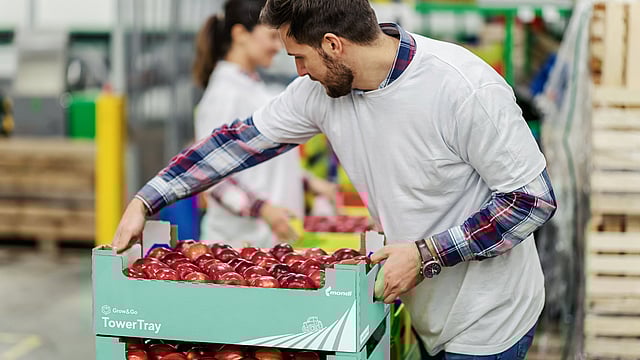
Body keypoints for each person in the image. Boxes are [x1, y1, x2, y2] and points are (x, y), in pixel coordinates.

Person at [112, 0, 557, 358]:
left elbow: (531, 199)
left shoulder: (460, 87)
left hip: (490, 318)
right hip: (426, 309)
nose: (298, 71)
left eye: (300, 58)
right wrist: (148, 199)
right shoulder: (319, 93)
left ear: (332, 44)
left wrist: (425, 255)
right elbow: (238, 142)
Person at [191, 0, 336, 247]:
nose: (277, 47)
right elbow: (210, 175)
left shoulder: (250, 86)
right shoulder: (224, 94)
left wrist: (307, 182)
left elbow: (258, 163)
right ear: (240, 35)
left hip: (264, 244)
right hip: (237, 249)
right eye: (271, 36)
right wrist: (263, 210)